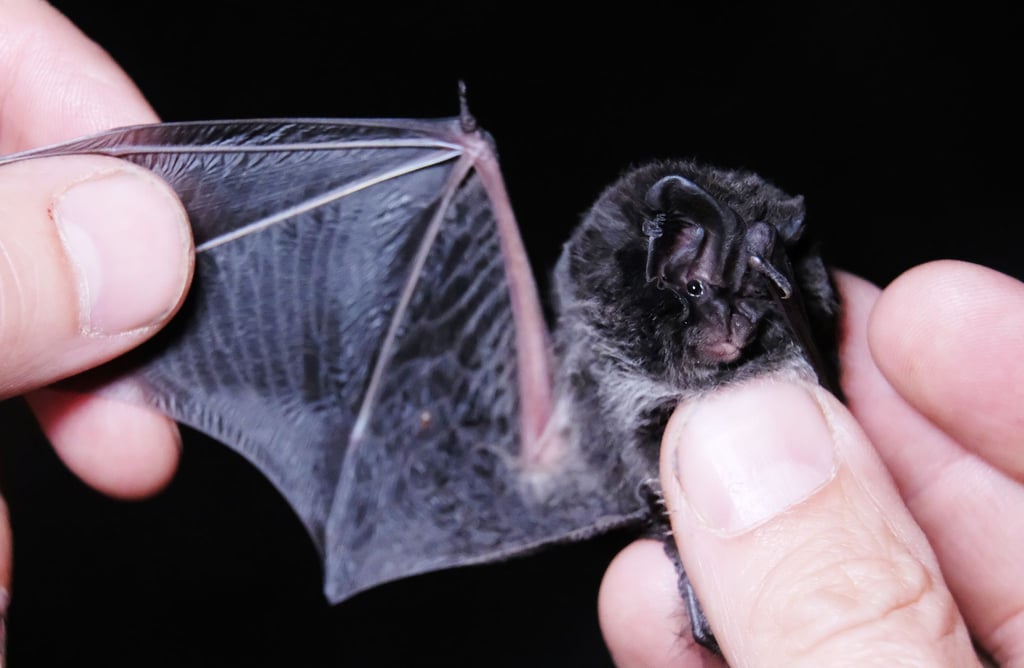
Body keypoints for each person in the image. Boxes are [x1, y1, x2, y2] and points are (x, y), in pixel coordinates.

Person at [1, 1, 1019, 665]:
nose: (722, 326)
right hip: (578, 424)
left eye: (741, 303)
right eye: (705, 293)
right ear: (659, 271)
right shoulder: (616, 306)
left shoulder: (776, 296)